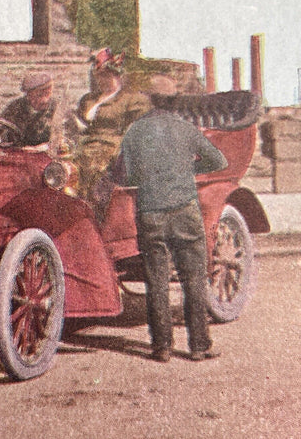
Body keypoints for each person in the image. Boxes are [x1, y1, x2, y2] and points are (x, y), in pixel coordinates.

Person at [118, 77, 228, 362]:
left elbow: (127, 175)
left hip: (150, 211)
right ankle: (199, 346)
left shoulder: (135, 132)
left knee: (156, 281)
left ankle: (162, 347)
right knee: (194, 278)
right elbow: (218, 161)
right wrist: (187, 168)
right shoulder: (185, 128)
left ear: (151, 100)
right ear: (173, 101)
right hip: (184, 210)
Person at [74, 47, 152, 200]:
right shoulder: (88, 99)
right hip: (83, 144)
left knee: (92, 167)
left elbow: (136, 129)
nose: (101, 80)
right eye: (98, 76)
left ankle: (92, 203)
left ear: (116, 75)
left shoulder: (131, 100)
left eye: (105, 76)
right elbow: (78, 122)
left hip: (111, 147)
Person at [0, 73, 55, 147]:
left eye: (47, 94)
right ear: (29, 94)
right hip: (18, 151)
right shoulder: (15, 107)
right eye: (39, 95)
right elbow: (0, 126)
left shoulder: (55, 108)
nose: (44, 100)